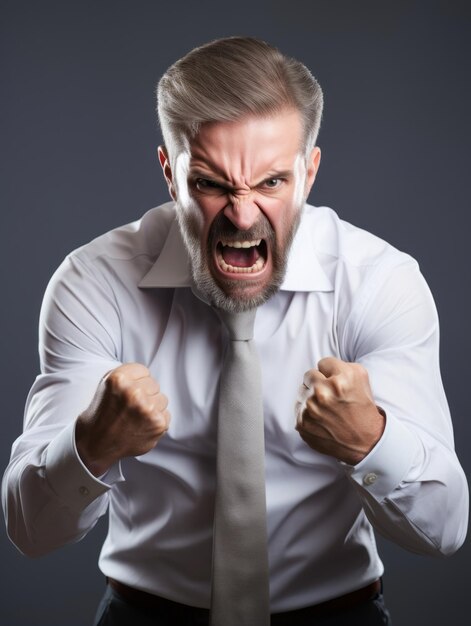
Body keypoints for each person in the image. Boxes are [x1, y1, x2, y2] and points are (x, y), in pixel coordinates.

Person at [2, 36, 468, 626]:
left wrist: (370, 441)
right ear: (170, 173)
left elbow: (446, 529)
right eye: (211, 183)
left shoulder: (379, 283)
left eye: (271, 182)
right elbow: (30, 531)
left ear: (309, 173)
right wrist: (91, 445)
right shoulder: (94, 283)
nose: (243, 215)